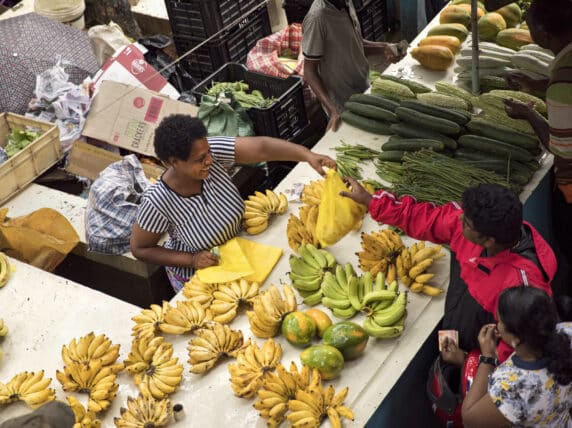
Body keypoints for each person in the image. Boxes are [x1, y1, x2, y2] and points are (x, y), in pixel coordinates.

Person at [341, 181, 557, 363]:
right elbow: (425, 218)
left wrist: (468, 360)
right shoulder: (478, 226)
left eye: (467, 223)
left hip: (479, 357)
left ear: (488, 240)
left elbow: (519, 353)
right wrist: (371, 201)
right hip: (459, 317)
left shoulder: (524, 287)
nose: (459, 219)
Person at [130, 115, 336, 292]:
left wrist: (307, 155)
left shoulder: (210, 153)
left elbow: (262, 148)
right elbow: (140, 248)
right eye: (200, 159)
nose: (209, 160)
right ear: (174, 162)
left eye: (208, 152)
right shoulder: (158, 201)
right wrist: (191, 260)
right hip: (200, 276)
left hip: (238, 253)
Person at [504, 0, 572, 296]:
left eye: (530, 26)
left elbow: (561, 148)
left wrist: (529, 115)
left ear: (543, 33)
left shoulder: (562, 85)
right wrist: (536, 84)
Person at [461, 286, 572, 427]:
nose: (497, 325)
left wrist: (487, 357)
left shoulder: (514, 388)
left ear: (516, 339)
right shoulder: (568, 332)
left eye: (500, 321)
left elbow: (469, 420)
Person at [302, 0, 405, 132]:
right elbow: (309, 71)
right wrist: (332, 110)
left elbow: (354, 43)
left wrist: (384, 47)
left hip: (363, 88)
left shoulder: (346, 3)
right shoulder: (317, 18)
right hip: (342, 105)